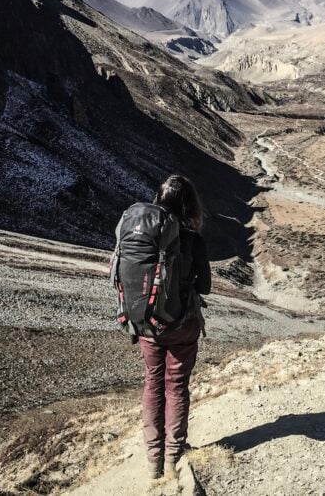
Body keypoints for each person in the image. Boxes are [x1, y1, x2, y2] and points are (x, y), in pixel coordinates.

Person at [140, 174, 211, 480]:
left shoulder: (145, 236)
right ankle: (174, 457)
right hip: (182, 326)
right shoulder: (192, 240)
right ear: (190, 205)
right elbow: (206, 286)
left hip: (147, 325)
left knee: (153, 382)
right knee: (176, 385)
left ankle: (153, 460)